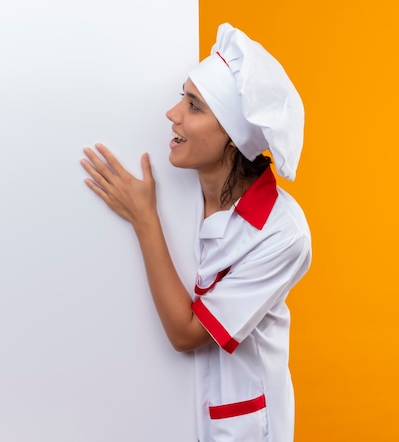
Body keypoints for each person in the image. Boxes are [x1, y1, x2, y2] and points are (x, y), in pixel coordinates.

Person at [79, 23, 311, 442]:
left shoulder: (284, 233)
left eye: (194, 106)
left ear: (231, 138)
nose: (173, 114)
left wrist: (144, 218)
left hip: (245, 430)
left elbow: (186, 334)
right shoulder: (185, 192)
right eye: (181, 97)